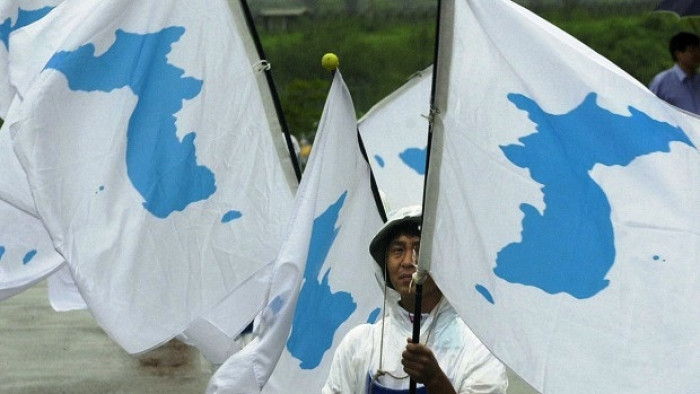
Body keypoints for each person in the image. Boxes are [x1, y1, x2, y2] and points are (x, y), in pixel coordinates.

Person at [322, 206, 508, 394]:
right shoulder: (360, 345)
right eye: (398, 249)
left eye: (419, 249)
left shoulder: (478, 347)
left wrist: (435, 380)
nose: (407, 261)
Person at [649, 31, 700, 114]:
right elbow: (651, 109)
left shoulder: (698, 81)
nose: (698, 53)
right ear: (678, 53)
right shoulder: (662, 81)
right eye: (692, 49)